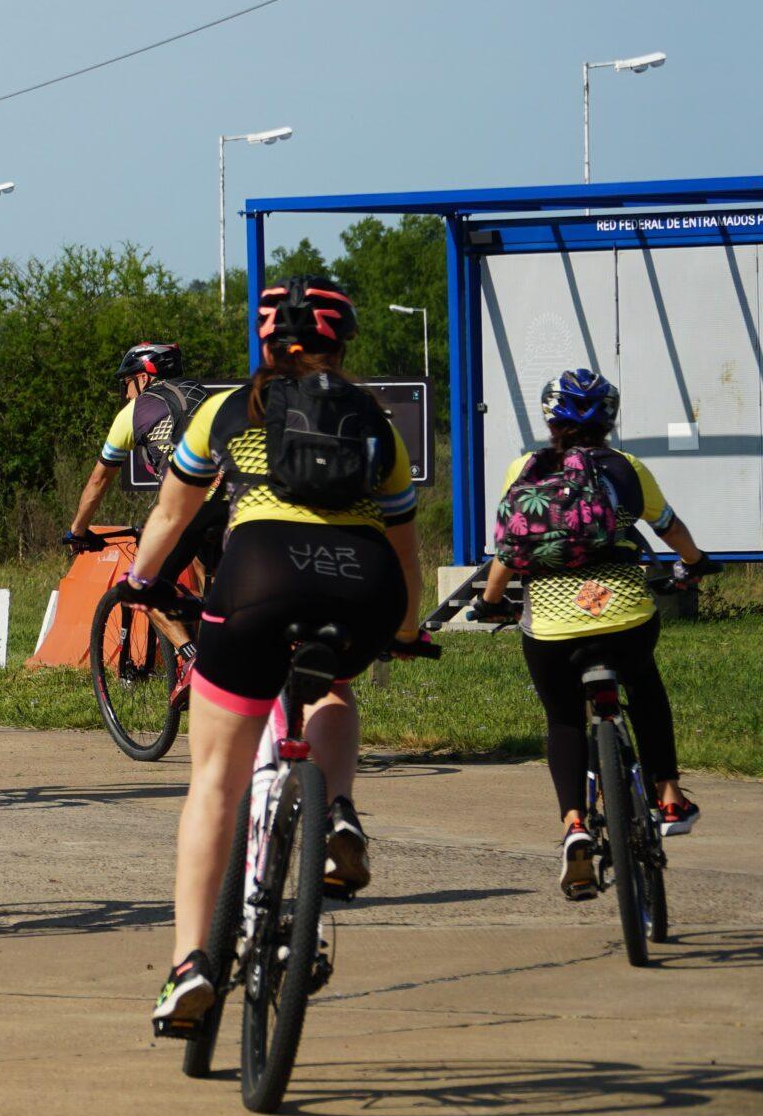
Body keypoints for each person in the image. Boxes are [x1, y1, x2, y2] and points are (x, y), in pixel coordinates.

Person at [136, 275, 422, 1038]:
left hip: (259, 574)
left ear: (264, 341)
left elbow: (174, 509)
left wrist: (140, 579)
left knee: (215, 782)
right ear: (342, 342)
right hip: (361, 585)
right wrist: (405, 626)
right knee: (332, 687)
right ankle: (335, 811)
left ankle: (191, 962)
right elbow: (404, 544)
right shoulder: (375, 420)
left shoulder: (227, 408)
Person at [474, 369, 713, 896]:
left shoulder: (525, 467)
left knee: (563, 720)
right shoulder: (627, 467)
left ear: (550, 417)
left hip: (553, 625)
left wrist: (490, 603)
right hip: (625, 612)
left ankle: (575, 825)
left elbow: (509, 551)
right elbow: (669, 527)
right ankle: (668, 793)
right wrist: (697, 562)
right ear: (609, 417)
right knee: (645, 686)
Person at [67, 342, 223, 634]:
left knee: (143, 589)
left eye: (127, 383)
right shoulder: (206, 396)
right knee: (211, 581)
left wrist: (77, 530)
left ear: (143, 378)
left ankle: (190, 660)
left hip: (188, 506)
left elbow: (98, 481)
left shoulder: (135, 410)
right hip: (233, 502)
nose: (126, 393)